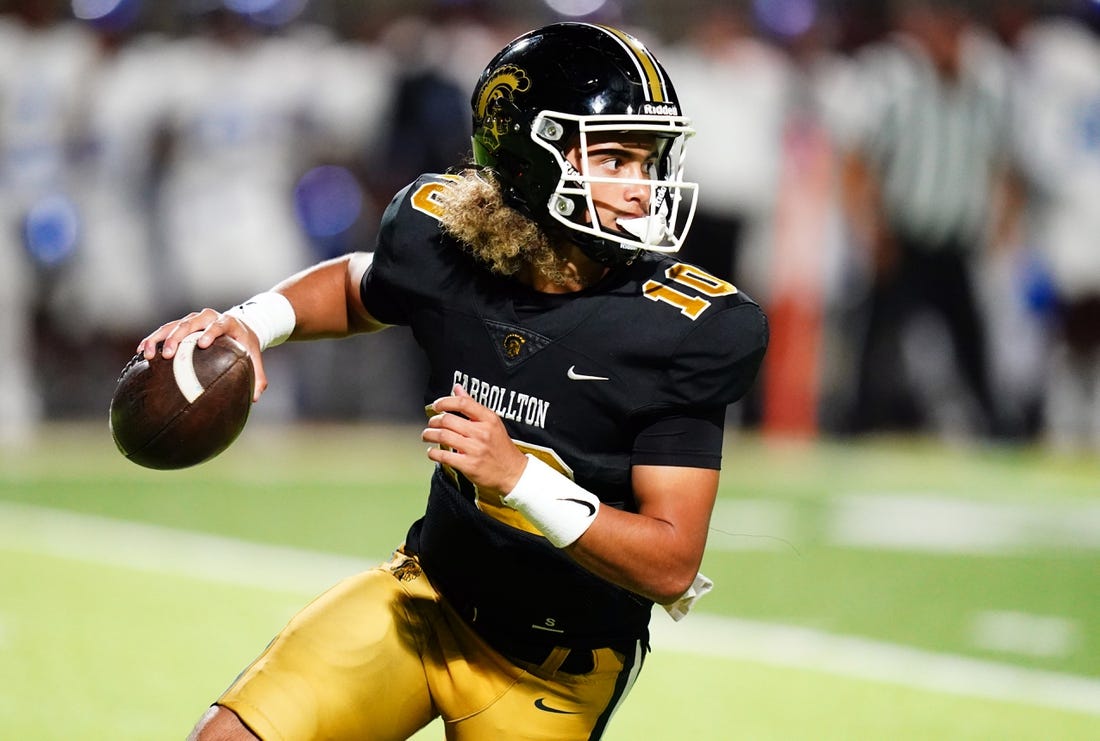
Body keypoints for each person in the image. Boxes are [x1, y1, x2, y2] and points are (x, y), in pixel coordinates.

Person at [141, 23, 768, 741]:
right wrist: (253, 323)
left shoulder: (682, 327)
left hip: (553, 671)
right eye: (615, 159)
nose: (641, 188)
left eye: (648, 161)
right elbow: (360, 287)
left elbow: (670, 561)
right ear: (531, 160)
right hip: (426, 596)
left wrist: (518, 477)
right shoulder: (451, 238)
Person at [840, 0, 1019, 438]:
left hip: (955, 239)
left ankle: (995, 425)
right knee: (877, 338)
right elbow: (860, 161)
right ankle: (857, 423)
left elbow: (1006, 166)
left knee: (969, 338)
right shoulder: (901, 91)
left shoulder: (986, 95)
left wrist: (1002, 227)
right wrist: (869, 227)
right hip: (904, 236)